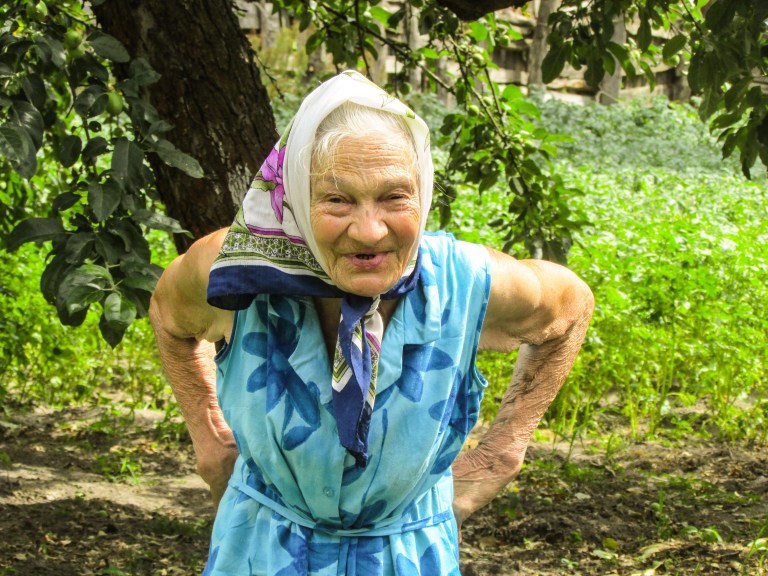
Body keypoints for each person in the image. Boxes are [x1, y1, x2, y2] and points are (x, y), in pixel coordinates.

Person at [149, 70, 593, 575]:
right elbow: (167, 315)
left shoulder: (468, 282)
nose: (369, 230)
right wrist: (210, 439)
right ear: (294, 193)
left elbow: (571, 306)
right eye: (337, 199)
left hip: (406, 555)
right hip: (259, 548)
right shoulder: (234, 273)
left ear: (422, 193)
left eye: (394, 197)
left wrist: (500, 454)